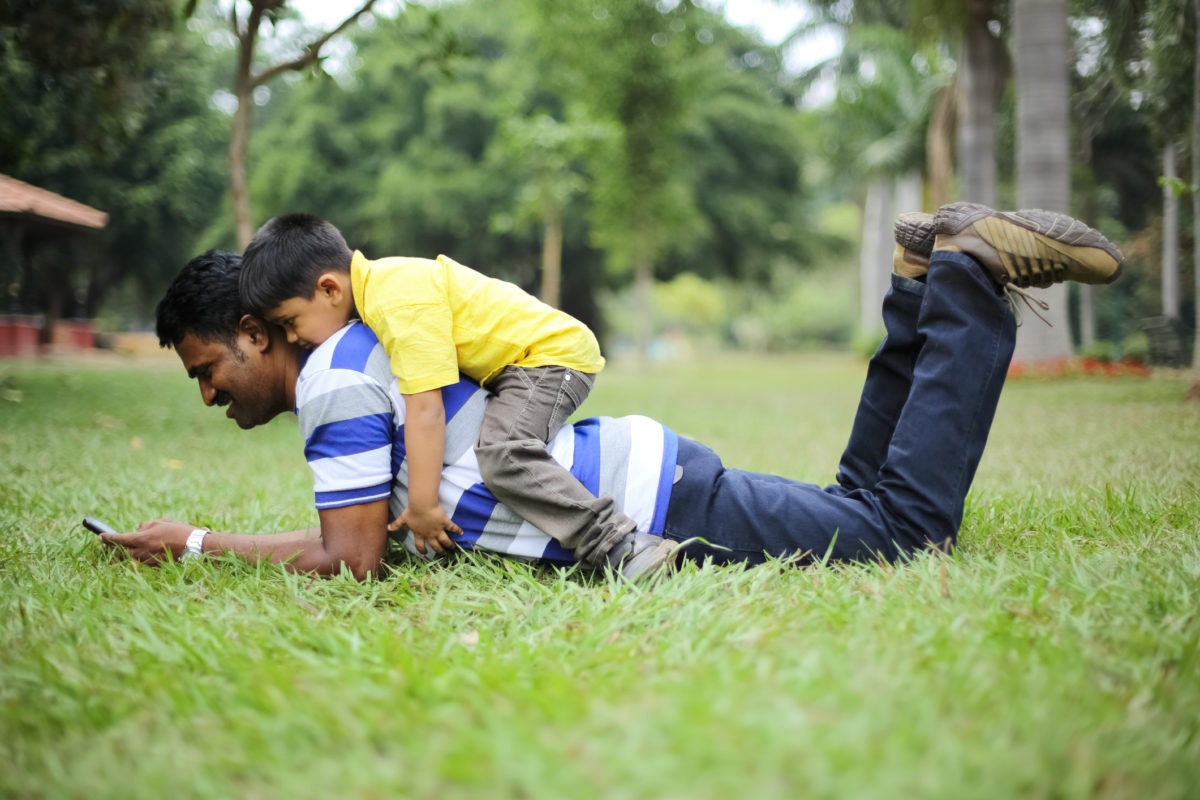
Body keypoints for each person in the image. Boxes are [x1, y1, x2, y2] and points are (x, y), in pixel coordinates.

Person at [103, 202, 1123, 578]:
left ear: (257, 328)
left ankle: (967, 277)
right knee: (863, 508)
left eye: (210, 368)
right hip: (648, 467)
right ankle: (918, 279)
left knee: (906, 534)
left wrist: (193, 541)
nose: (209, 393)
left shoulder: (332, 370)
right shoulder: (365, 334)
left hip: (651, 499)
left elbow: (352, 554)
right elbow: (377, 527)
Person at [236, 214, 676, 579]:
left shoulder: (395, 302)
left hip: (548, 358)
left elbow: (425, 409)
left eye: (290, 321)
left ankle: (619, 544)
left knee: (504, 453)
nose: (293, 337)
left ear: (329, 289)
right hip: (524, 363)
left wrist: (424, 505)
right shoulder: (383, 290)